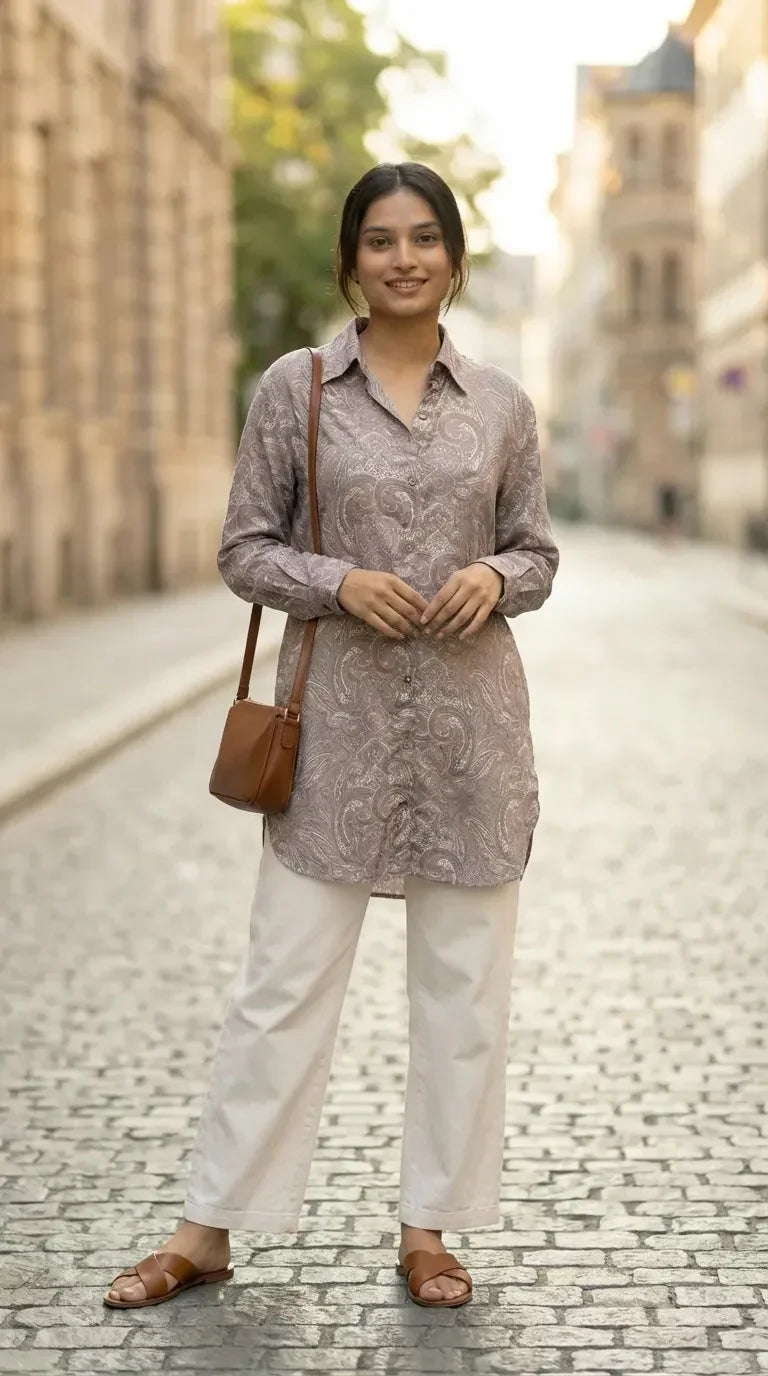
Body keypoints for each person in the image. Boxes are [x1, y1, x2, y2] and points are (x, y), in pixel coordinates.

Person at [104, 162, 559, 1312]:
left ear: (454, 258)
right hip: (332, 734)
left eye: (423, 239)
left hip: (472, 739)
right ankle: (208, 1227)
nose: (402, 258)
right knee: (281, 982)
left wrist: (494, 575)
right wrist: (339, 579)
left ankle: (430, 1227)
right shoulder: (295, 387)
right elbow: (243, 547)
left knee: (464, 992)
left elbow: (540, 553)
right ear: (350, 261)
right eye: (378, 240)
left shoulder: (502, 403)